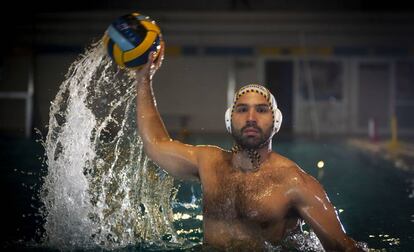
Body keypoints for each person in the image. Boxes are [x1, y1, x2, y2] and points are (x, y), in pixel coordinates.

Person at [135, 43, 365, 251]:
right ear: (229, 120)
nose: (251, 117)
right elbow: (156, 144)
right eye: (242, 109)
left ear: (276, 122)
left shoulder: (295, 183)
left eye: (262, 110)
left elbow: (343, 247)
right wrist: (143, 79)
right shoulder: (208, 163)